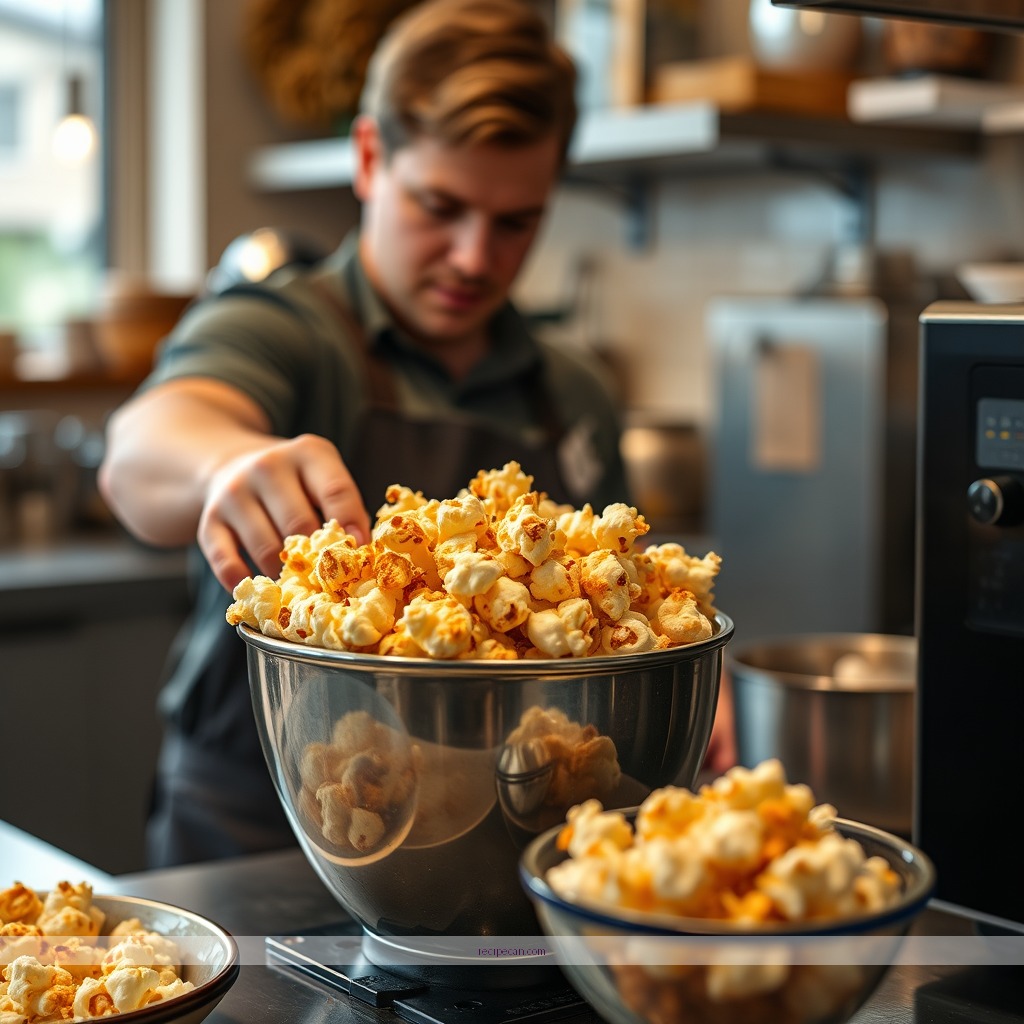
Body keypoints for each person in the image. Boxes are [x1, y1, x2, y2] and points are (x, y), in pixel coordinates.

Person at [99, 0, 647, 868]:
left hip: (486, 845)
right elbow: (142, 445)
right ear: (367, 158)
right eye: (441, 205)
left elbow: (626, 611)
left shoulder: (571, 391)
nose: (474, 257)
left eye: (516, 222)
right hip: (255, 834)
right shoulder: (283, 328)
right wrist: (227, 464)